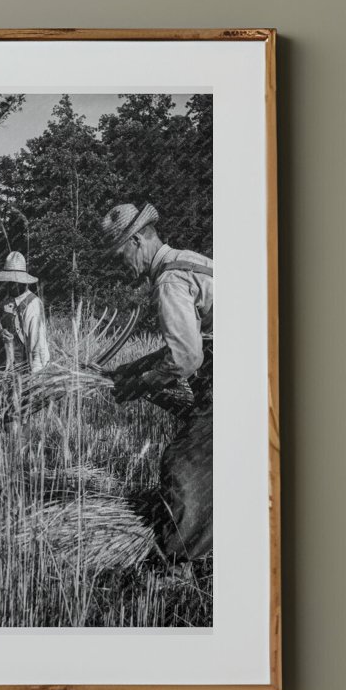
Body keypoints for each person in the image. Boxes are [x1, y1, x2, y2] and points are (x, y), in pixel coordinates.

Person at [98, 202, 214, 560]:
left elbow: (185, 358)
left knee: (185, 464)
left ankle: (177, 564)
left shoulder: (169, 281)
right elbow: (192, 343)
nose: (124, 267)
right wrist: (131, 370)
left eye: (121, 256)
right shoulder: (187, 260)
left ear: (137, 241)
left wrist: (140, 383)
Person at [0, 251, 50, 373]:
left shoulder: (32, 304)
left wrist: (36, 377)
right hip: (0, 369)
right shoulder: (0, 297)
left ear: (24, 282)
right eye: (9, 280)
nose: (11, 284)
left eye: (15, 281)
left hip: (22, 373)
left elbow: (38, 346)